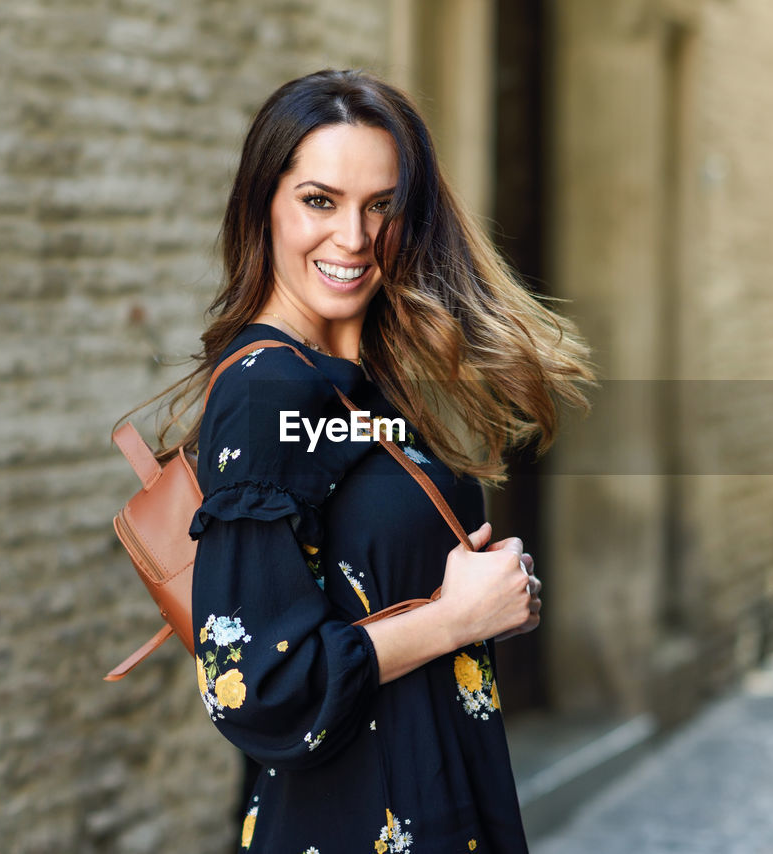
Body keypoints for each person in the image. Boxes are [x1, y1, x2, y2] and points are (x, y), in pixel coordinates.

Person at [150, 68, 593, 852]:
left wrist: (479, 598)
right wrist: (456, 617)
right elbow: (254, 686)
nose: (353, 239)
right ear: (264, 206)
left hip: (437, 797)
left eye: (381, 206)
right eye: (319, 200)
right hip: (353, 820)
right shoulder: (269, 393)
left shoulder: (364, 383)